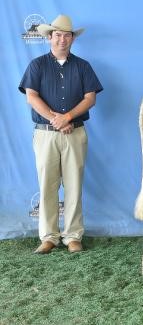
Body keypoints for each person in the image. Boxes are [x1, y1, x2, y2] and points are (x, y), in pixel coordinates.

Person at [19, 14, 103, 254]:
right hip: (46, 134)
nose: (62, 39)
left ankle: (73, 235)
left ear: (73, 39)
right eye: (58, 35)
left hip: (75, 133)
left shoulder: (83, 66)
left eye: (67, 35)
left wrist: (67, 118)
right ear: (49, 37)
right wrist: (56, 120)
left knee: (74, 184)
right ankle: (48, 236)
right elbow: (31, 96)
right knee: (47, 184)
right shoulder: (37, 65)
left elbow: (90, 98)